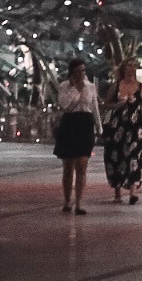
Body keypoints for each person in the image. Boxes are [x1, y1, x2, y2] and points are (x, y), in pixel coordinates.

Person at [54, 56, 101, 213]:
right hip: (70, 123)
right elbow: (66, 106)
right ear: (72, 72)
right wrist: (75, 89)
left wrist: (99, 127)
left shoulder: (91, 86)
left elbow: (94, 107)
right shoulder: (64, 87)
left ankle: (79, 202)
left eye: (83, 70)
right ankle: (67, 201)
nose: (81, 74)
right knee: (68, 167)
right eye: (77, 71)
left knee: (82, 165)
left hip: (85, 124)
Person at [103, 61, 142, 206]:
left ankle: (133, 190)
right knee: (116, 155)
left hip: (136, 126)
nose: (131, 69)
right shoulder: (116, 85)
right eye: (128, 66)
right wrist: (116, 105)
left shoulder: (141, 87)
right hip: (118, 125)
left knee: (134, 156)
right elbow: (106, 103)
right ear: (123, 69)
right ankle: (117, 190)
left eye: (133, 66)